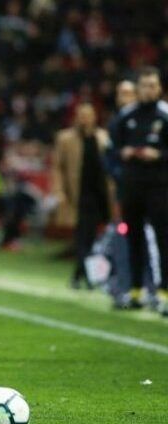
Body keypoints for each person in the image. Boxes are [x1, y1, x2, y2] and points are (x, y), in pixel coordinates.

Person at [110, 66, 168, 316]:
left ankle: (164, 293)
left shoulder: (165, 115)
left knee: (164, 240)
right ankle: (136, 291)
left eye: (153, 85)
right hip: (132, 186)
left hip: (160, 187)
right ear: (138, 89)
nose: (148, 90)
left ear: (160, 88)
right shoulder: (125, 116)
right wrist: (123, 153)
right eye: (144, 85)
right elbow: (112, 148)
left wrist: (159, 155)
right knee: (133, 237)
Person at [50, 103, 113, 289]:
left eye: (88, 115)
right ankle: (85, 276)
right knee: (82, 236)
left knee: (91, 237)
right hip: (77, 195)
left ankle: (80, 276)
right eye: (81, 115)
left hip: (99, 195)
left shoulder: (103, 138)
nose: (85, 119)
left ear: (94, 117)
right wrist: (59, 191)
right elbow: (57, 167)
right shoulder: (65, 138)